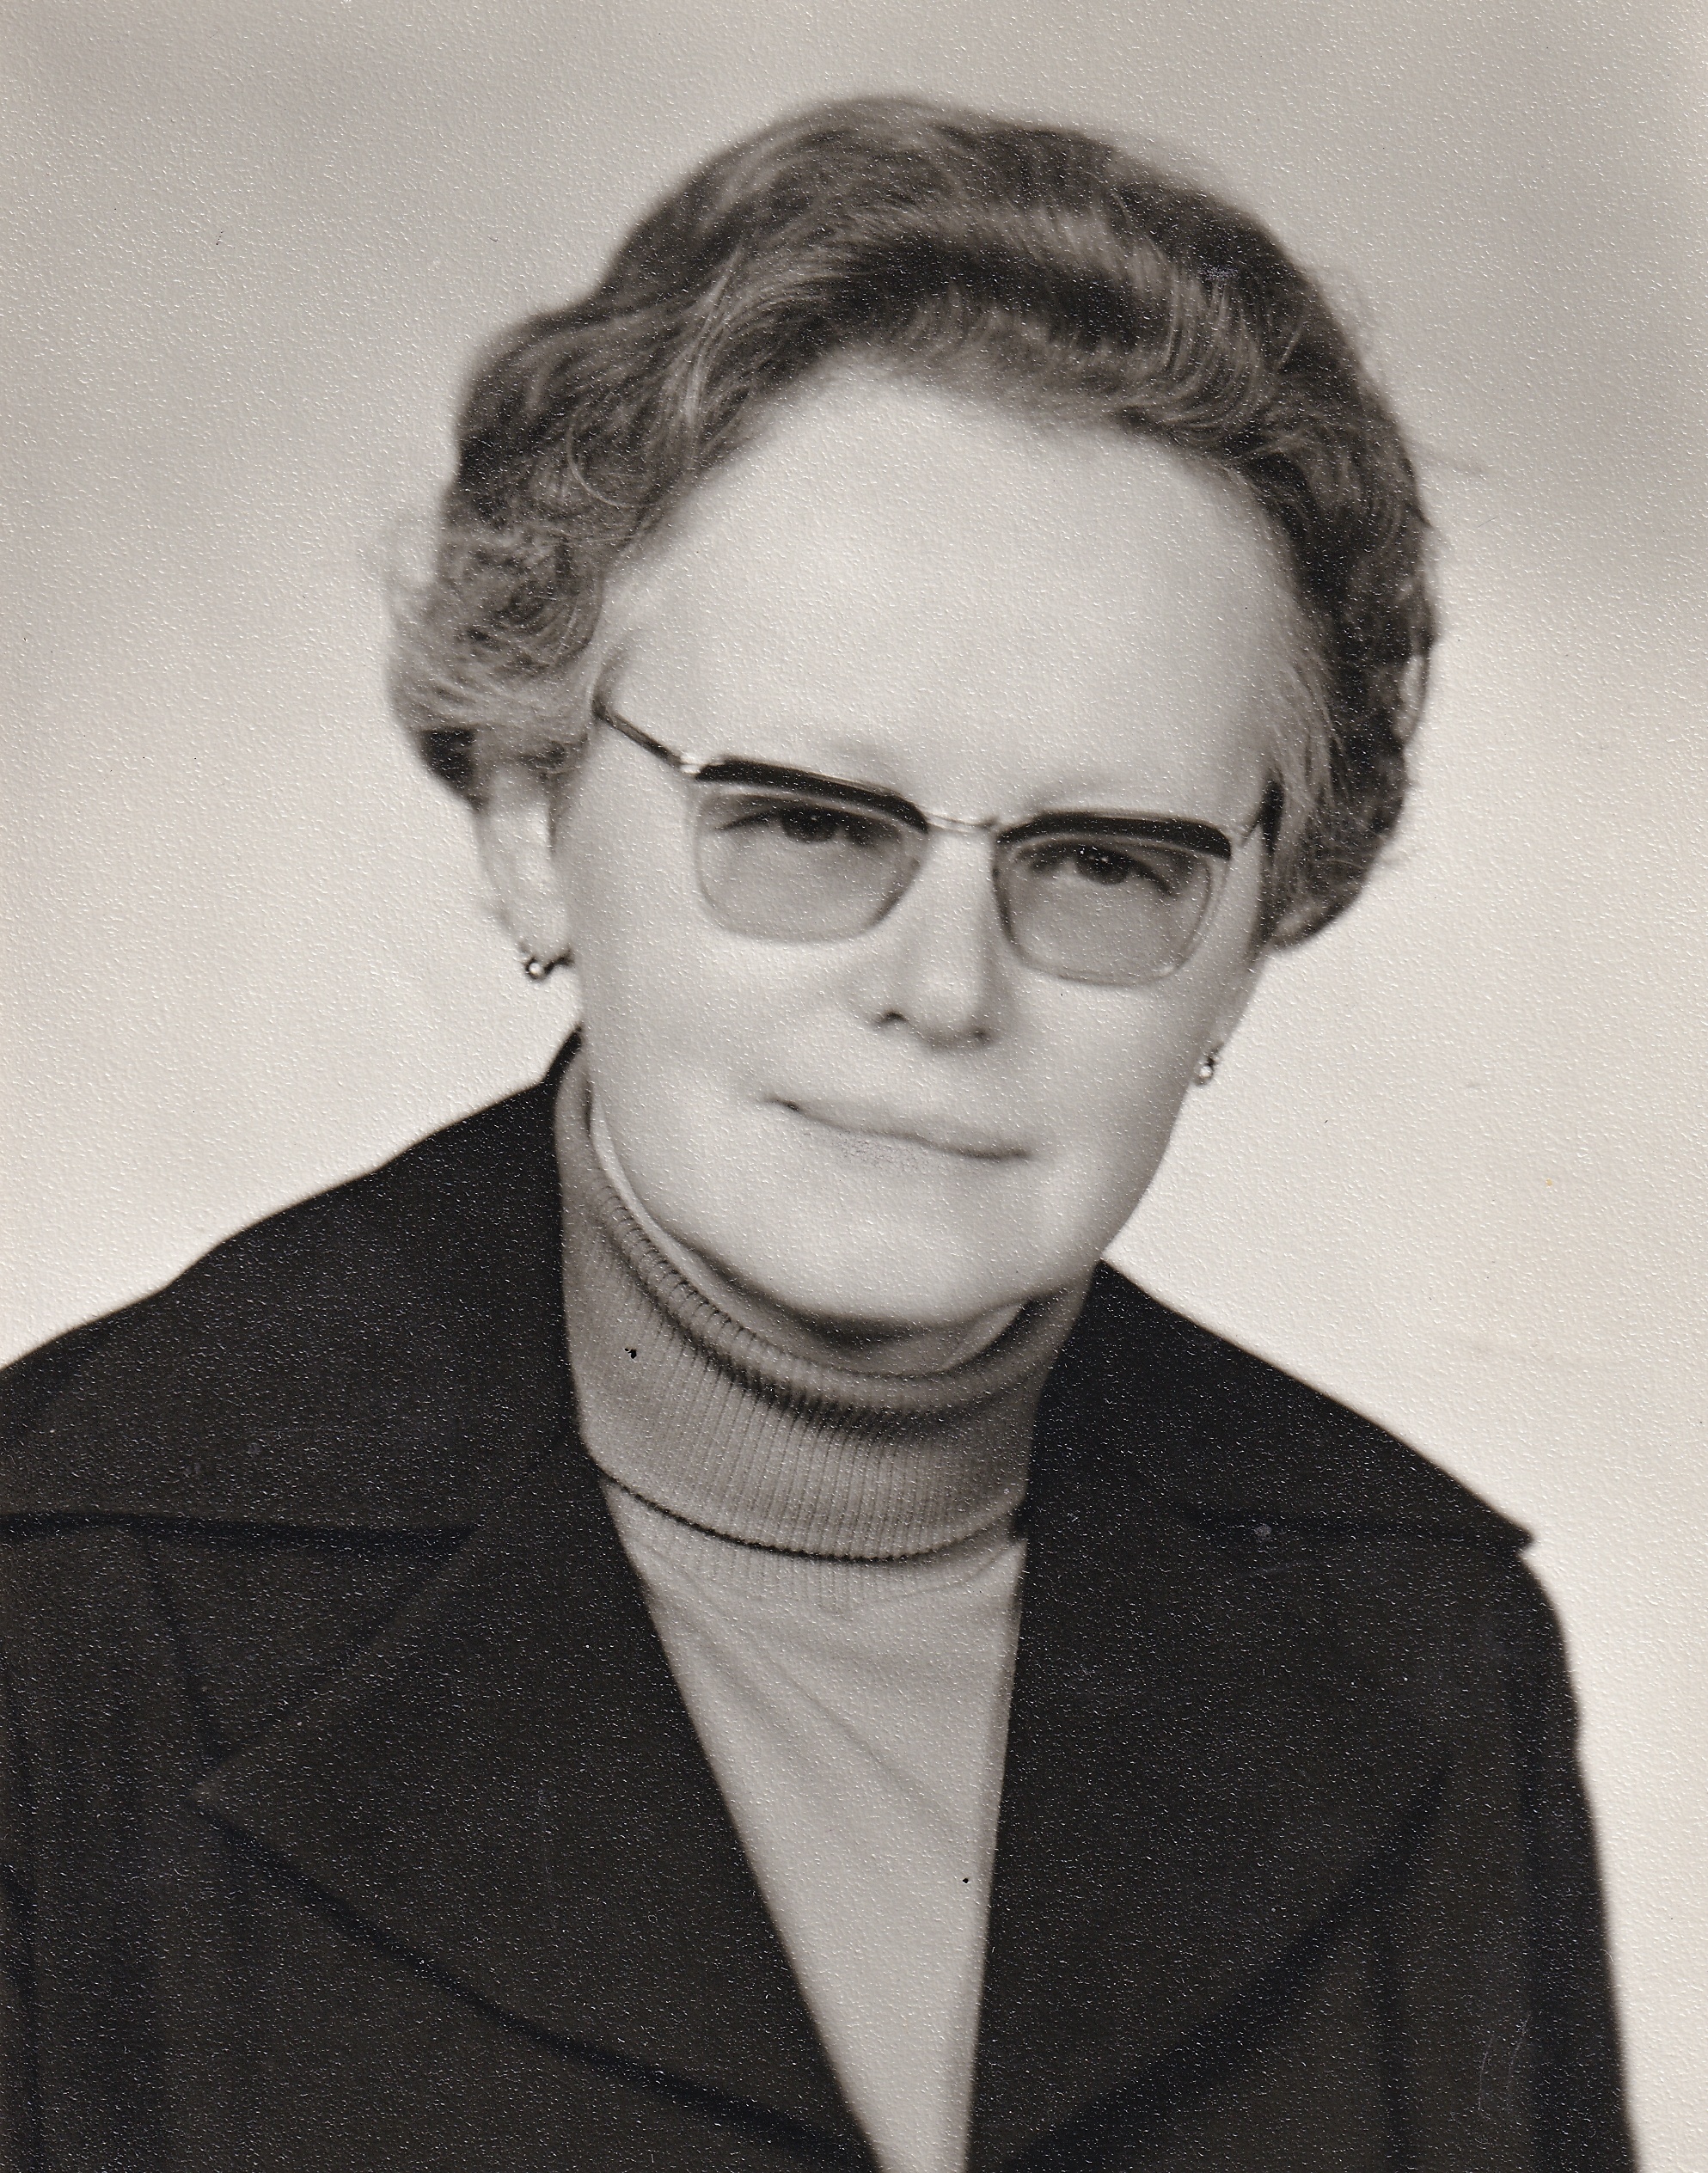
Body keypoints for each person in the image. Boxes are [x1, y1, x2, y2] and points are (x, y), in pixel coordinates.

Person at [0, 95, 1631, 2173]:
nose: (946, 988)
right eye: (801, 822)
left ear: (1250, 936)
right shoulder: (52, 1611)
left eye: (1104, 862)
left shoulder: (1424, 1648)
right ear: (528, 815)